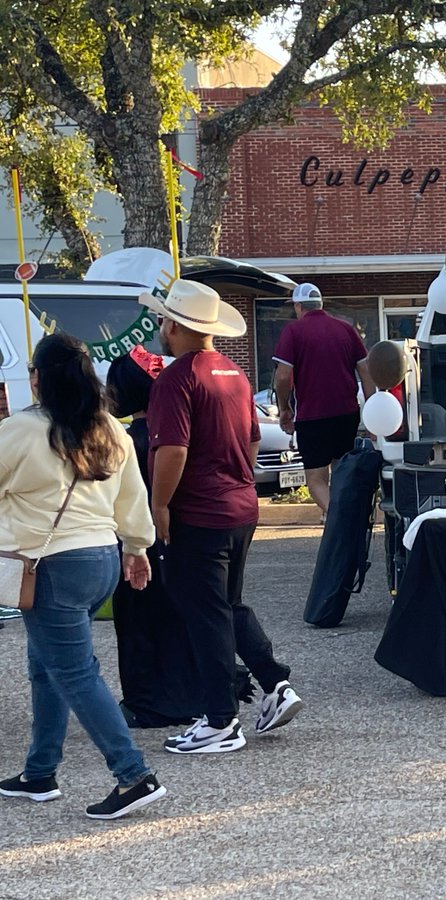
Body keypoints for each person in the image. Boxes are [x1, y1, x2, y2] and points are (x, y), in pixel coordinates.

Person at [0, 333, 165, 819]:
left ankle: (133, 775)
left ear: (37, 378)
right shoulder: (112, 430)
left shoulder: (20, 430)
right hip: (103, 560)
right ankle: (39, 771)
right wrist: (138, 548)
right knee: (46, 662)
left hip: (48, 566)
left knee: (74, 672)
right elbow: (132, 498)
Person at [144, 280, 303, 754]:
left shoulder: (176, 379)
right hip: (240, 504)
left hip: (199, 510)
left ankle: (220, 720)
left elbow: (172, 449)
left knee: (206, 613)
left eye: (162, 320)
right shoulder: (233, 373)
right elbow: (253, 440)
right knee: (227, 605)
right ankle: (275, 683)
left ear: (174, 324)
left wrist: (158, 505)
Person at [105, 349, 254, 727]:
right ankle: (208, 692)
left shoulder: (127, 442)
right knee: (199, 616)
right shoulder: (182, 423)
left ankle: (152, 701)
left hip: (142, 540)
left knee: (143, 625)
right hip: (185, 533)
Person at [273, 283, 376, 517]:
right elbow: (366, 369)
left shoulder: (293, 331)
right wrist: (371, 408)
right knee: (341, 471)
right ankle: (340, 516)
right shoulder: (345, 329)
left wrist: (284, 407)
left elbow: (282, 376)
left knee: (316, 479)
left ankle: (338, 518)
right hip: (347, 413)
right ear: (321, 304)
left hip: (312, 416)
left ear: (299, 306)